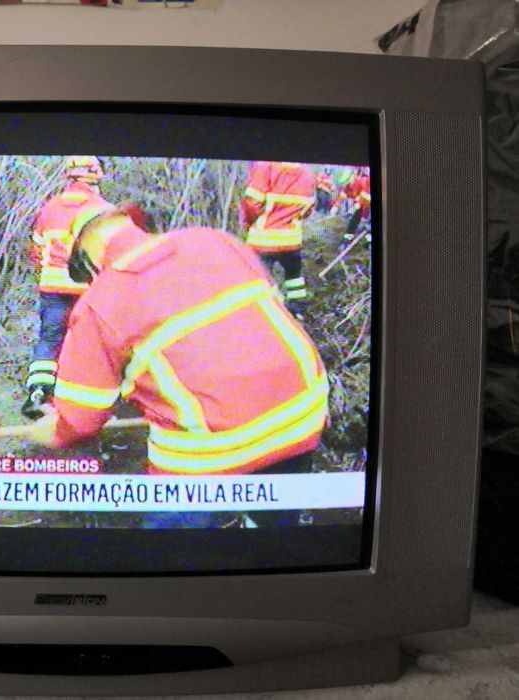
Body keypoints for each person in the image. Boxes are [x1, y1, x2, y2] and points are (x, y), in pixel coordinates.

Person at [29, 204, 329, 527]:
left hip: (211, 450)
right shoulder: (214, 240)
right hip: (303, 413)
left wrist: (54, 432)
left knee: (169, 548)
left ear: (87, 261)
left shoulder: (99, 303)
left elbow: (82, 417)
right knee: (274, 532)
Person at [21, 156, 112, 418]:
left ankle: (39, 392)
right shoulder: (102, 209)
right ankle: (86, 403)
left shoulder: (49, 208)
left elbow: (36, 250)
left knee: (49, 339)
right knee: (89, 343)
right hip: (86, 287)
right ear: (96, 174)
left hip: (52, 285)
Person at [240, 161, 316, 316]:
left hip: (264, 240)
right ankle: (298, 313)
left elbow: (252, 204)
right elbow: (308, 209)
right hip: (292, 240)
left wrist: (249, 223)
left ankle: (267, 314)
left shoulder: (265, 167)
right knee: (294, 278)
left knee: (260, 280)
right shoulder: (307, 174)